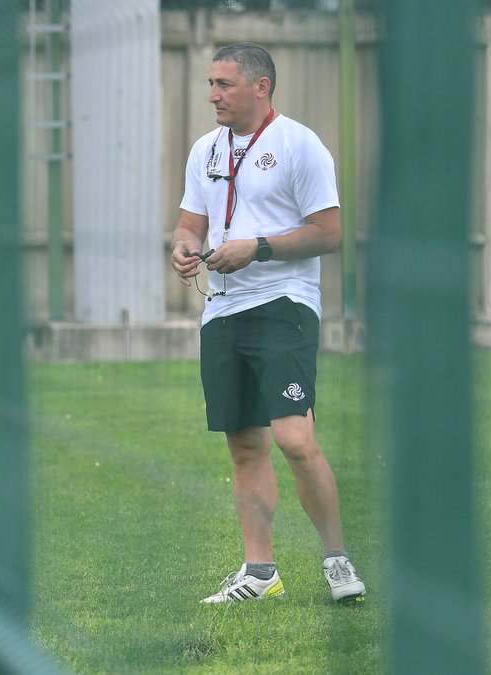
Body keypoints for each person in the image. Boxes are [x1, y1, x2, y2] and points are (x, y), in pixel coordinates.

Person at [169, 43, 366, 605]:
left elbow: (329, 233)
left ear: (261, 87)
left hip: (284, 303)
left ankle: (337, 562)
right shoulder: (205, 149)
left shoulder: (299, 145)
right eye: (210, 83)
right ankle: (260, 574)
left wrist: (256, 248)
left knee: (295, 438)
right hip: (223, 311)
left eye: (224, 85)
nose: (212, 95)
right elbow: (189, 223)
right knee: (244, 446)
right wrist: (184, 248)